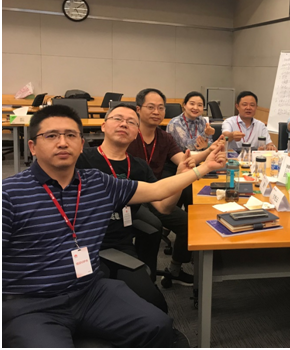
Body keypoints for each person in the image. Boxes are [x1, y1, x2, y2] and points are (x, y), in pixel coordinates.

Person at [2, 104, 227, 347]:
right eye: (51, 136)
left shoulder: (98, 182)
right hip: (32, 302)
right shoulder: (9, 194)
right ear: (33, 146)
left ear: (81, 144)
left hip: (89, 291)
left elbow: (157, 191)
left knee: (159, 326)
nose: (63, 143)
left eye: (71, 135)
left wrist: (204, 168)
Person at [76, 103, 196, 314]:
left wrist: (180, 177)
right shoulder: (81, 159)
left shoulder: (139, 166)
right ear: (103, 126)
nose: (124, 124)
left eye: (131, 122)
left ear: (136, 133)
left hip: (119, 245)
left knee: (156, 307)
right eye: (117, 119)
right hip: (80, 246)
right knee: (86, 305)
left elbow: (164, 207)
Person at [127, 88, 222, 284]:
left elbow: (184, 160)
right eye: (151, 107)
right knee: (152, 228)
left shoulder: (164, 138)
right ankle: (145, 280)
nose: (156, 112)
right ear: (138, 109)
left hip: (157, 194)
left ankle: (175, 269)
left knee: (188, 224)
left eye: (161, 107)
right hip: (131, 197)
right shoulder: (128, 136)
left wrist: (209, 152)